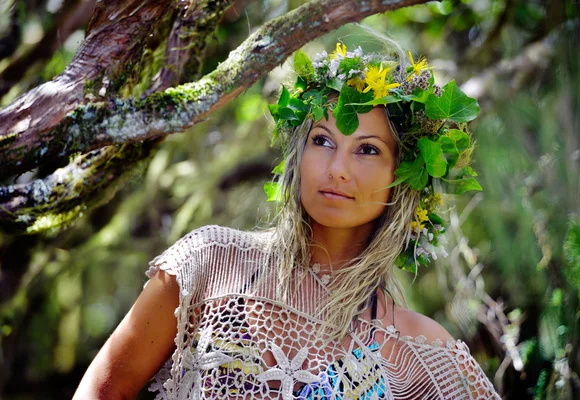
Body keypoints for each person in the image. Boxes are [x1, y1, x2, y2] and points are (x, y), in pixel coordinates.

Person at [74, 38, 500, 399]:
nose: (337, 168)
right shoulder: (211, 265)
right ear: (299, 154)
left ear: (404, 176)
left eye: (368, 149)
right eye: (322, 140)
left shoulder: (420, 353)